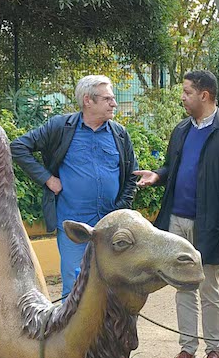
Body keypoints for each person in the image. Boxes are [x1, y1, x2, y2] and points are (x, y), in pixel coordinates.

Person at [135, 70, 219, 358]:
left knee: (209, 288)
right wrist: (158, 175)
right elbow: (174, 168)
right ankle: (187, 349)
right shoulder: (181, 130)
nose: (183, 97)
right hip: (176, 221)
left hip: (210, 224)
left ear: (205, 95)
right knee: (182, 288)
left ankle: (215, 350)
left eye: (187, 92)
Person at [11, 75, 137, 297]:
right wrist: (48, 179)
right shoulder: (61, 127)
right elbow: (19, 147)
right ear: (88, 100)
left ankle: (108, 333)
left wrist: (120, 207)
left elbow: (131, 176)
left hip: (110, 229)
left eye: (113, 99)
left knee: (114, 288)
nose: (114, 104)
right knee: (74, 289)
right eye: (108, 99)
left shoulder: (119, 134)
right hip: (73, 227)